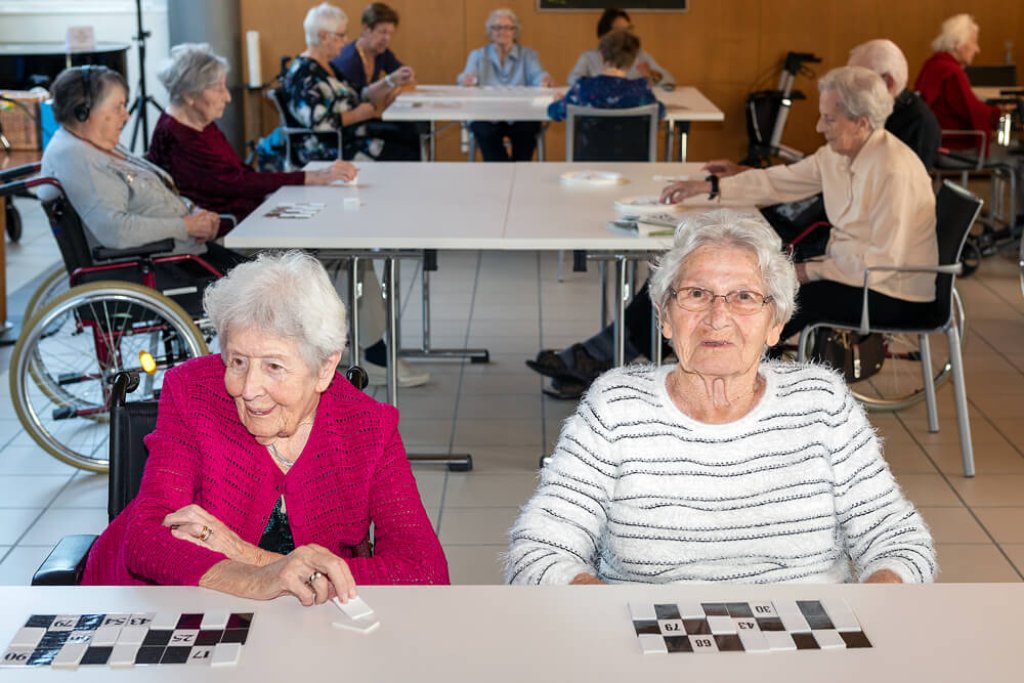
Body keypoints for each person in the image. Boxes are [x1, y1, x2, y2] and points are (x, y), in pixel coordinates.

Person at [507, 212, 936, 585]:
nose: (718, 317)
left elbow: (899, 542)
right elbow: (540, 548)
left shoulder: (821, 403)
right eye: (696, 294)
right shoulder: (616, 406)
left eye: (745, 297)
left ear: (777, 324)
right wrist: (608, 616)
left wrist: (870, 605)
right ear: (664, 317)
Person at [528, 65, 938, 399]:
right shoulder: (839, 154)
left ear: (862, 122)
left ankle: (674, 382)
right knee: (686, 277)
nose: (818, 126)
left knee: (755, 300)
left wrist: (807, 272)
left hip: (888, 291)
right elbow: (776, 182)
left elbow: (882, 262)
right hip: (846, 273)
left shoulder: (894, 171)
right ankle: (615, 362)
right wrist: (710, 188)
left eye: (829, 118)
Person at [81, 251, 449, 600]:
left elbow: (424, 572)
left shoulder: (368, 429)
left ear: (324, 368)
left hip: (292, 619)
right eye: (237, 361)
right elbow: (146, 538)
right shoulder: (192, 392)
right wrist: (259, 579)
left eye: (274, 366)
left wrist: (251, 558)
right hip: (158, 603)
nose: (249, 388)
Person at [41, 65, 246, 300]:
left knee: (263, 273)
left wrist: (195, 213)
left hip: (179, 255)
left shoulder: (101, 145)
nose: (126, 115)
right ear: (84, 112)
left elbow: (158, 189)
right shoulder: (77, 157)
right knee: (263, 286)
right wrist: (186, 226)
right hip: (158, 267)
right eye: (117, 106)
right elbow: (115, 230)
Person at [147, 42, 357, 233]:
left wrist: (300, 181)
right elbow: (235, 183)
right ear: (189, 95)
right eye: (218, 88)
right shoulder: (177, 137)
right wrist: (309, 177)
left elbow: (240, 173)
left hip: (248, 210)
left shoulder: (200, 122)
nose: (227, 97)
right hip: (229, 225)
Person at [283, 3, 409, 162]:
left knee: (410, 136)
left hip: (350, 137)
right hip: (328, 148)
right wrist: (357, 114)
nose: (346, 41)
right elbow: (318, 123)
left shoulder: (329, 68)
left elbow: (360, 93)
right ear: (323, 37)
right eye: (341, 35)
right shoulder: (303, 74)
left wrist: (390, 81)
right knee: (406, 153)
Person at [457, 8, 554, 161]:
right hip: (487, 115)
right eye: (497, 27)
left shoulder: (528, 55)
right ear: (490, 32)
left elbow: (537, 74)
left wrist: (544, 79)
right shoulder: (478, 54)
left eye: (508, 28)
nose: (502, 31)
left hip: (520, 114)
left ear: (515, 32)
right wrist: (466, 80)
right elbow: (466, 77)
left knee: (528, 128)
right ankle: (501, 170)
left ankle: (518, 169)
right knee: (483, 130)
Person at [329, 2, 422, 161]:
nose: (387, 39)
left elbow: (408, 76)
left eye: (391, 34)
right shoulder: (350, 60)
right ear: (366, 29)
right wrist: (390, 82)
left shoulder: (381, 53)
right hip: (350, 128)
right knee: (407, 144)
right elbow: (358, 99)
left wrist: (395, 89)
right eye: (382, 32)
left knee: (413, 131)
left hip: (365, 120)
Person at [914, 14, 1003, 150]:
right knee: (1017, 158)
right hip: (951, 143)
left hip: (931, 141)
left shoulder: (933, 64)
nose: (977, 49)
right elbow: (973, 112)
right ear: (958, 44)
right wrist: (1001, 113)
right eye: (973, 42)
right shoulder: (952, 72)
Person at [547, 30, 665, 122]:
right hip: (634, 153)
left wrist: (561, 101)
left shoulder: (583, 88)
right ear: (633, 60)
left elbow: (553, 112)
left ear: (601, 56)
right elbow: (659, 111)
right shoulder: (641, 90)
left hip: (589, 152)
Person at [567, 8, 674, 88]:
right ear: (605, 34)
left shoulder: (640, 55)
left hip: (632, 113)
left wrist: (651, 74)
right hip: (601, 111)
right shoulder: (589, 57)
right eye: (620, 31)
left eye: (629, 30)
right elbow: (572, 80)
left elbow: (669, 80)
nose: (626, 35)